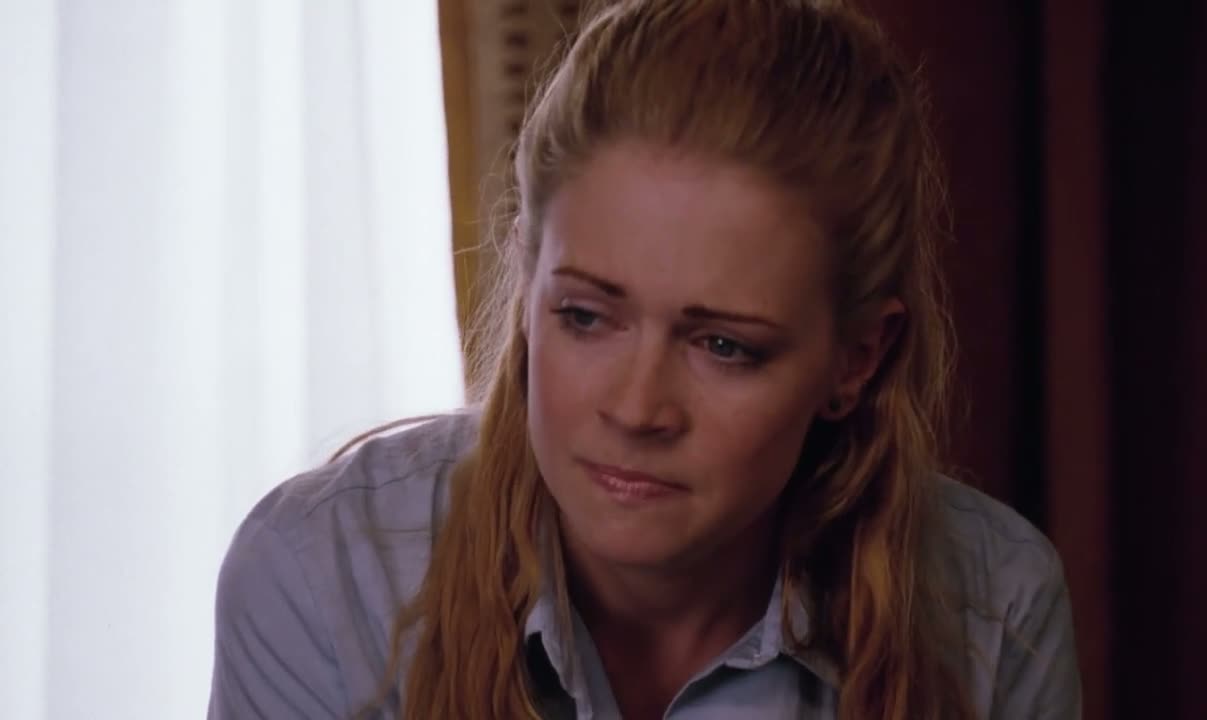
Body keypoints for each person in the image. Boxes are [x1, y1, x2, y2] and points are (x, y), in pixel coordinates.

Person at [207, 1, 1081, 718]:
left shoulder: (993, 611)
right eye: (586, 317)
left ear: (857, 359)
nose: (635, 409)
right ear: (527, 285)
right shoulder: (325, 576)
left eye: (725, 347)